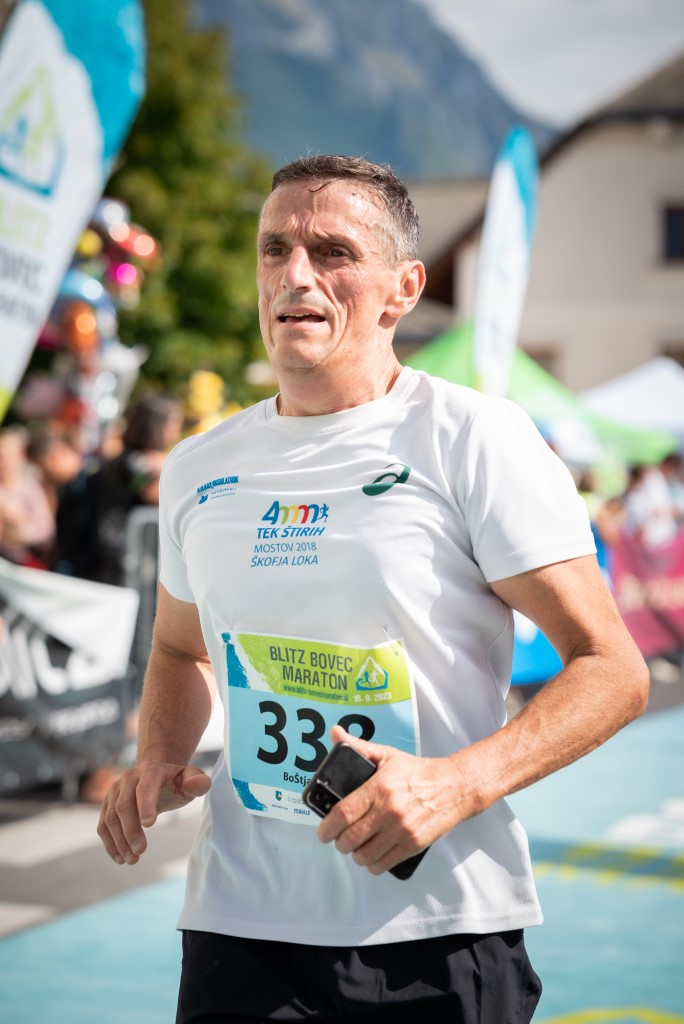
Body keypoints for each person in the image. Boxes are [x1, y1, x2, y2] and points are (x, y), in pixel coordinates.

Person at [97, 155, 649, 1024]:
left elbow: (613, 667)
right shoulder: (199, 467)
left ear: (404, 289)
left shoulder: (471, 439)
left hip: (434, 926)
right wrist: (159, 757)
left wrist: (457, 783)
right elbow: (179, 647)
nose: (296, 274)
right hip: (239, 925)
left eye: (332, 252)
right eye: (274, 249)